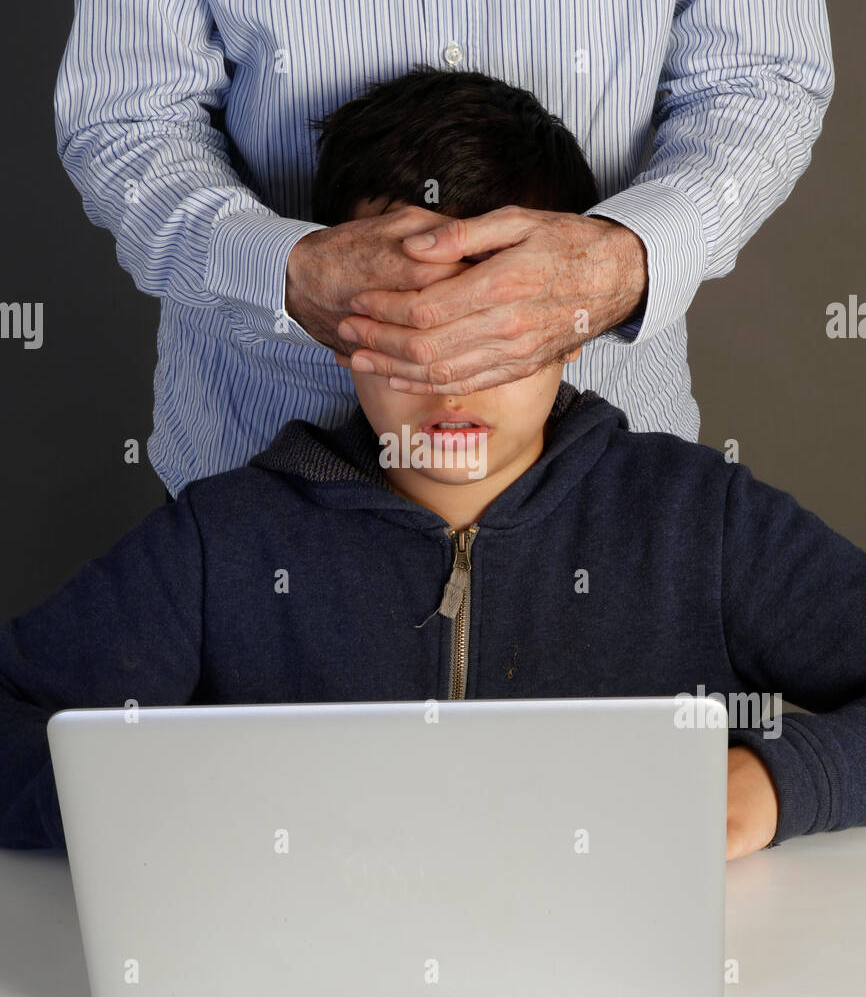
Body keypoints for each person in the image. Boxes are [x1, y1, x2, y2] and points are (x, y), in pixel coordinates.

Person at [4, 71, 864, 858]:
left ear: (577, 322)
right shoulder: (219, 543)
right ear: (336, 323)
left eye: (494, 324)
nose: (450, 375)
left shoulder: (699, 523)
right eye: (412, 321)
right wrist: (158, 805)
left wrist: (781, 785)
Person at [54, 0, 833, 495]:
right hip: (255, 468)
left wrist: (616, 266)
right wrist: (285, 273)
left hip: (610, 489)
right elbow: (128, 117)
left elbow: (760, 79)